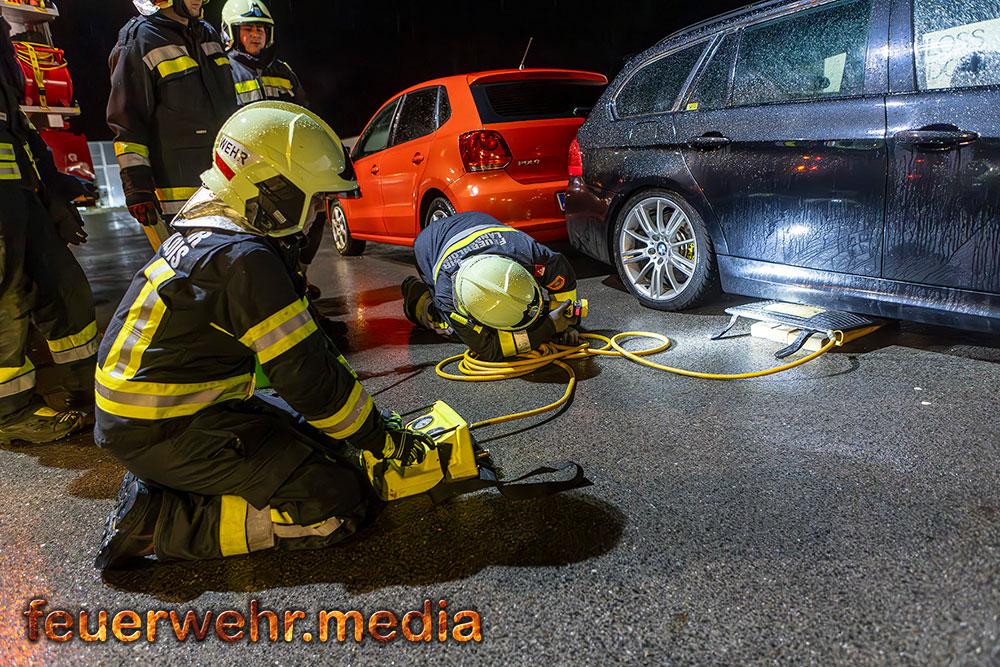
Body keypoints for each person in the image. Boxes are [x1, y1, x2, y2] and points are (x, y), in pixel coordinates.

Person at [94, 102, 432, 569]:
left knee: (335, 444)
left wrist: (365, 429)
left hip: (165, 413)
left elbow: (308, 362)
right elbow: (308, 379)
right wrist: (381, 439)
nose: (316, 215)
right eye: (313, 200)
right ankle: (159, 521)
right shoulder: (242, 258)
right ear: (273, 190)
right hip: (165, 428)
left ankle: (167, 483)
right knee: (337, 501)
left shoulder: (210, 223)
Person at [0, 17, 96, 444]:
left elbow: (16, 127)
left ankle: (86, 388)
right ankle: (9, 412)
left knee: (64, 287)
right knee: (6, 301)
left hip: (20, 195)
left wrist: (53, 190)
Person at [107, 0, 237, 248]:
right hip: (181, 199)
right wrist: (137, 187)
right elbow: (128, 121)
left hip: (227, 186)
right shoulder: (140, 39)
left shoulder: (207, 33)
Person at [221, 0, 325, 298]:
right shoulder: (223, 71)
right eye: (248, 28)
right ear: (230, 32)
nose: (256, 35)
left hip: (287, 167)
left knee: (311, 216)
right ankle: (267, 289)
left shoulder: (283, 70)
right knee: (259, 231)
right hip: (246, 168)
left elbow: (304, 114)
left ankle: (298, 276)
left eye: (261, 29)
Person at [402, 212, 581, 362]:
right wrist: (549, 327)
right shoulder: (448, 298)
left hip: (474, 222)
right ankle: (416, 298)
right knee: (450, 329)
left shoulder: (528, 253)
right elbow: (488, 349)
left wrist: (568, 320)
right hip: (429, 244)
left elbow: (562, 275)